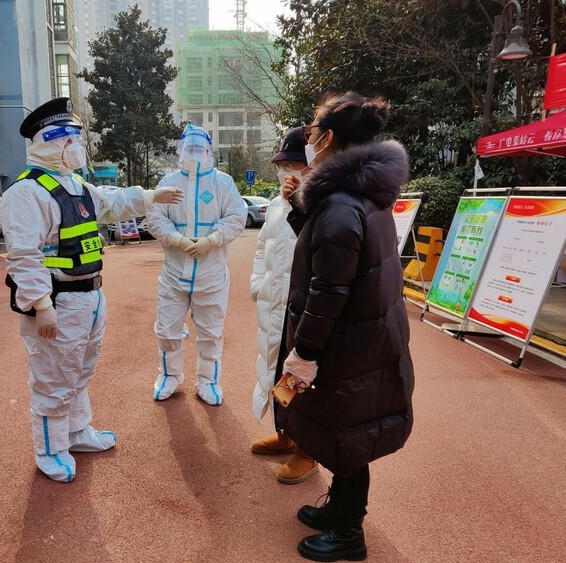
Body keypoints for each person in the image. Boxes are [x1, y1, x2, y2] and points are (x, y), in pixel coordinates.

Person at [1, 97, 183, 483]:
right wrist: (39, 303)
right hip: (57, 299)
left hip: (90, 295)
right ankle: (50, 448)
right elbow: (22, 254)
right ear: (46, 142)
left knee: (80, 370)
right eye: (66, 139)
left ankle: (77, 431)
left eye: (76, 137)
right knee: (54, 376)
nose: (75, 146)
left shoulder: (75, 185)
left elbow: (111, 203)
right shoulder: (25, 193)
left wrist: (151, 196)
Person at [275, 92, 414, 562]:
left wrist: (305, 352)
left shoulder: (340, 205)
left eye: (313, 131)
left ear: (329, 138)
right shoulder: (358, 196)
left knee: (349, 434)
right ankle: (341, 510)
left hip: (346, 342)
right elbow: (332, 258)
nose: (309, 139)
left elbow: (328, 289)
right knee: (345, 428)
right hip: (364, 336)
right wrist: (300, 207)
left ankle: (349, 531)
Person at [147, 124, 247, 405]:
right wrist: (176, 239)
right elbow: (155, 216)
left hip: (210, 273)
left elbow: (236, 216)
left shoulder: (222, 182)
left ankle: (208, 380)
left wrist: (211, 240)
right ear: (181, 151)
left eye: (200, 148)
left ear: (209, 152)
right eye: (189, 148)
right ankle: (169, 376)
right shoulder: (169, 181)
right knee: (166, 328)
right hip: (174, 272)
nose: (194, 153)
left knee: (211, 331)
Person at [249, 127, 319, 485]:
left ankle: (308, 451)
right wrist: (256, 282)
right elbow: (263, 247)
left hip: (304, 307)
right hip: (275, 303)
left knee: (302, 375)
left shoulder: (322, 204)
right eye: (283, 163)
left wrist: (301, 202)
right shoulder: (276, 205)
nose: (287, 170)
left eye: (295, 162)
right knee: (277, 369)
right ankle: (286, 433)